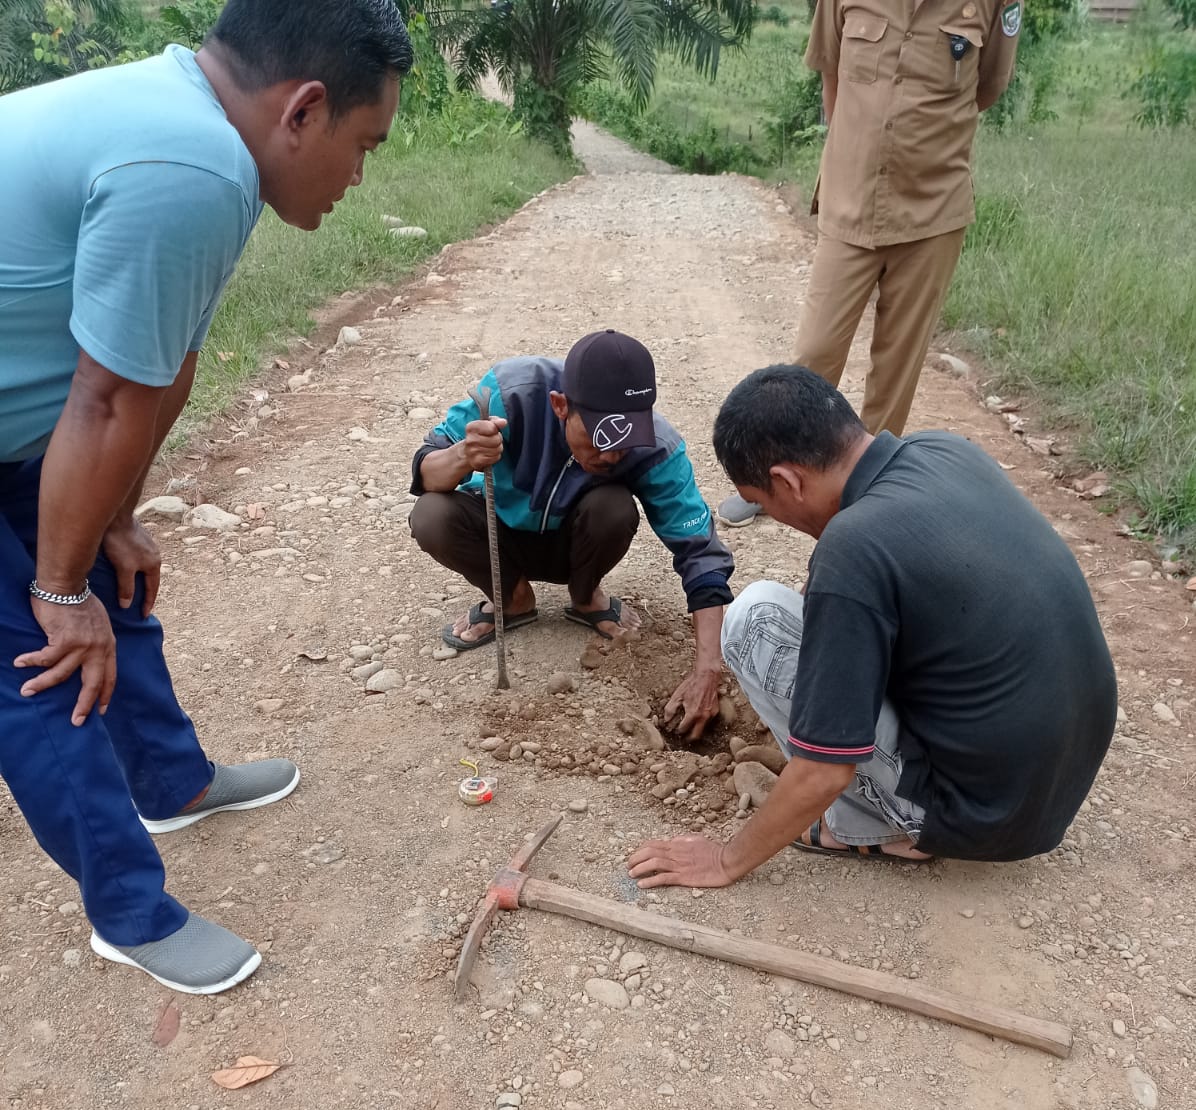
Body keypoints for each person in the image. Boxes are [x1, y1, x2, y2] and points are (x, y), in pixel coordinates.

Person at [0, 0, 412, 994]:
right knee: (38, 658)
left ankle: (170, 781)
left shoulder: (202, 139)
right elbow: (101, 403)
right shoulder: (189, 165)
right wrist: (58, 592)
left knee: (107, 571)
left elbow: (157, 374)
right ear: (303, 110)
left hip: (21, 430)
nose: (359, 179)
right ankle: (129, 912)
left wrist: (117, 520)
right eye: (364, 147)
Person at [629, 365, 1117, 889]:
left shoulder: (853, 546)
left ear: (787, 480)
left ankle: (867, 826)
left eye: (765, 502)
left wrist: (725, 860)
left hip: (978, 817)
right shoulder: (943, 450)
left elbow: (825, 769)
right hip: (1058, 781)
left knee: (754, 619)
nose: (778, 516)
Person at [718, 0, 1021, 528]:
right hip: (850, 202)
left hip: (932, 210)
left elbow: (987, 87)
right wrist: (852, 152)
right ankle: (774, 469)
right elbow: (831, 73)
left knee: (895, 371)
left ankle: (871, 504)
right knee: (814, 352)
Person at [409, 330, 735, 739]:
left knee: (613, 506)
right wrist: (463, 455)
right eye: (600, 439)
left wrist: (708, 667)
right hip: (500, 537)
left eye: (624, 441)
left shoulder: (658, 447)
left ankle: (585, 597)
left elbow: (700, 554)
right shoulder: (508, 393)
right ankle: (511, 598)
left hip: (577, 542)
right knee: (432, 514)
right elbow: (425, 468)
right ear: (560, 405)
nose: (612, 455)